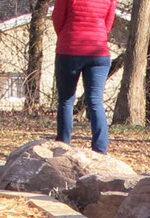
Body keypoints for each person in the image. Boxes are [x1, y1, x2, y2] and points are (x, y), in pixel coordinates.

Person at [52, 0, 117, 154]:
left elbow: (58, 19)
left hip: (70, 49)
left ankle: (63, 144)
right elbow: (109, 23)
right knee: (95, 102)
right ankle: (100, 150)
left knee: (66, 100)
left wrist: (67, 36)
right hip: (99, 51)